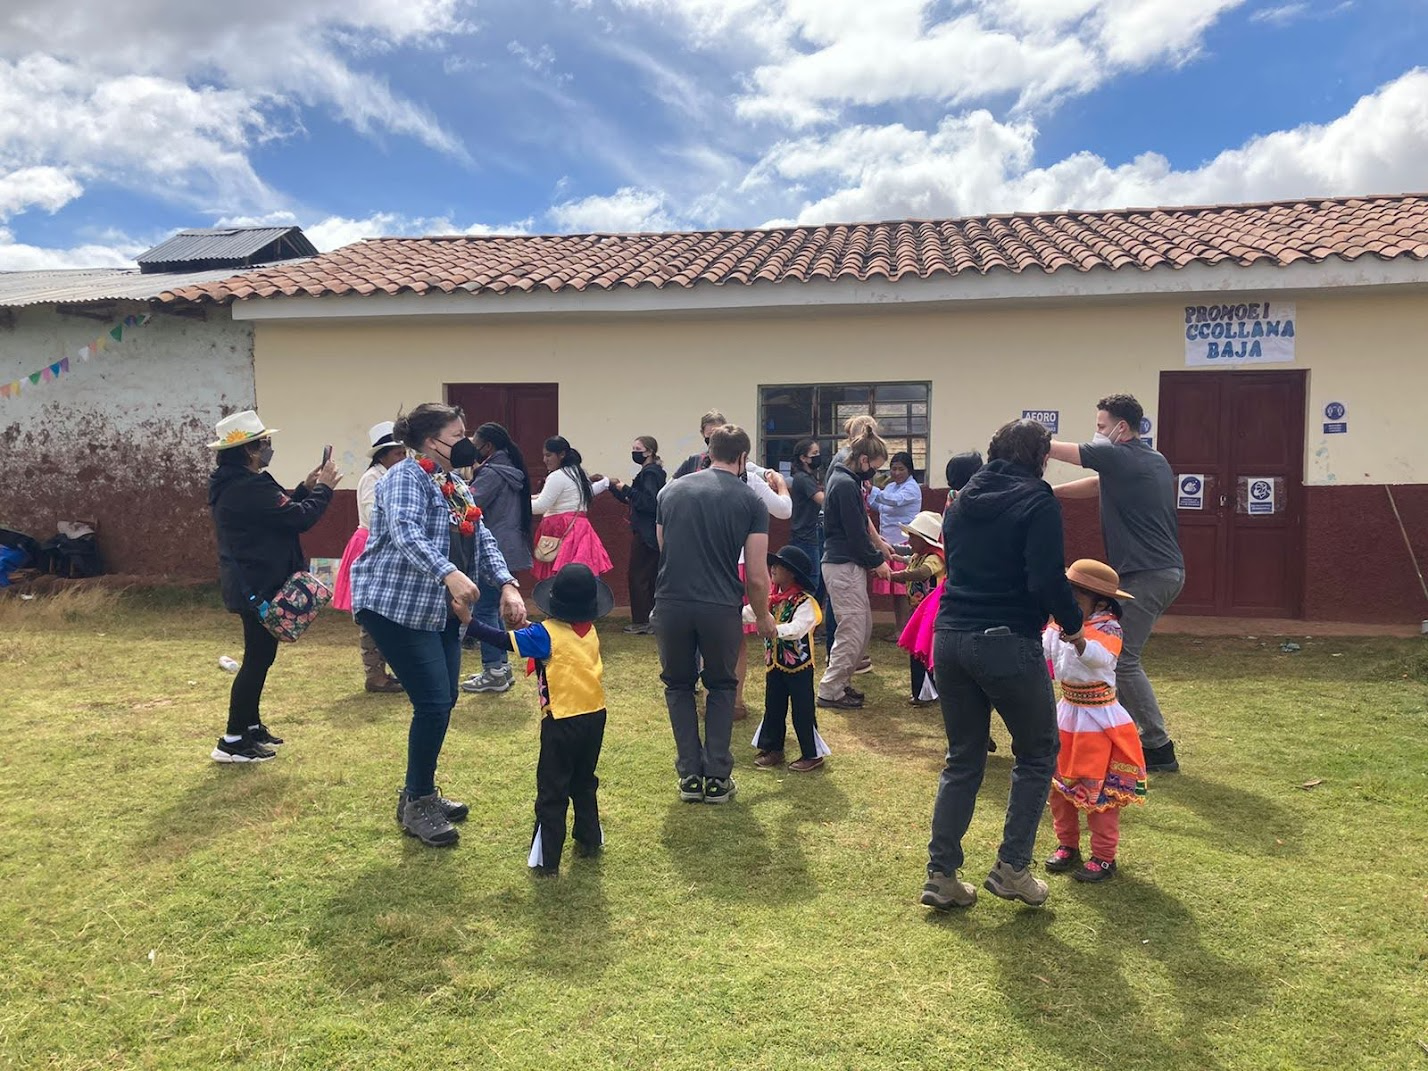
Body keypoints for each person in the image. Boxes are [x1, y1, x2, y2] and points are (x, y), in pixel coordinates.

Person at [921, 419, 1083, 912]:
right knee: (1037, 753)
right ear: (1039, 458)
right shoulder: (1038, 500)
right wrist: (1073, 626)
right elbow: (1046, 578)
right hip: (1007, 639)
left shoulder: (960, 500)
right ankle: (1013, 867)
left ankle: (941, 875)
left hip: (949, 637)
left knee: (963, 758)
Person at [350, 402, 527, 847]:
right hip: (393, 605)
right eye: (459, 432)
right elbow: (405, 532)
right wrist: (448, 572)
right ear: (433, 442)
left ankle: (418, 791)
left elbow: (480, 534)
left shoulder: (450, 481)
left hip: (436, 607)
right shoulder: (403, 478)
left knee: (444, 697)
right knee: (432, 701)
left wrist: (506, 584)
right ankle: (418, 804)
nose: (468, 440)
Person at [1049, 393, 1185, 774]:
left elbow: (1057, 450)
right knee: (1119, 657)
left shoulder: (1121, 454)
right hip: (1158, 571)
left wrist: (1022, 439)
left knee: (1122, 660)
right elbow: (1097, 486)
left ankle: (1158, 747)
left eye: (1101, 427)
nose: (1098, 434)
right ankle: (1119, 733)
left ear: (1121, 428)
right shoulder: (1150, 459)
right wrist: (1053, 493)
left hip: (1148, 573)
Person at [463, 563, 613, 875]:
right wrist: (527, 627)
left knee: (552, 790)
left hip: (561, 721)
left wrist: (470, 622)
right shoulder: (589, 631)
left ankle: (546, 860)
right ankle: (589, 838)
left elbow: (505, 640)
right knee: (584, 782)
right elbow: (551, 640)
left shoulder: (545, 634)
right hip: (595, 716)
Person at [208, 410, 339, 762]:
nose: (269, 448)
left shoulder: (236, 483)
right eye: (264, 443)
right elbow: (300, 518)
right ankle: (233, 739)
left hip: (252, 581)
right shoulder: (248, 486)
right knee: (257, 660)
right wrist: (325, 489)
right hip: (258, 584)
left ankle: (250, 727)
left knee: (260, 657)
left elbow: (279, 511)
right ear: (250, 450)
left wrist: (305, 489)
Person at [654, 424, 776, 805]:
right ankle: (718, 776)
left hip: (671, 602)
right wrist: (765, 616)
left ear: (708, 451)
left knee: (678, 685)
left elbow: (664, 547)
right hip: (720, 605)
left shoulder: (670, 491)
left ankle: (690, 774)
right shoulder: (751, 500)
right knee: (722, 686)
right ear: (742, 458)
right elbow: (757, 575)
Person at [1043, 559, 1147, 884]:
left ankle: (1103, 856)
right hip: (1068, 714)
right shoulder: (1059, 625)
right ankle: (1067, 844)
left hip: (1098, 720)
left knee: (1099, 792)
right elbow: (1045, 653)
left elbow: (1102, 657)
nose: (1068, 607)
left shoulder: (1108, 628)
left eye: (1074, 600)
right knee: (1060, 786)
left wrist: (1077, 638)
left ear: (1098, 601)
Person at [817, 425, 891, 711]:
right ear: (863, 461)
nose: (874, 473)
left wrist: (878, 548)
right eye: (875, 467)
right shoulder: (845, 484)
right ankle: (831, 688)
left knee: (862, 626)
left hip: (847, 562)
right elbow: (855, 534)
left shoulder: (846, 480)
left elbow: (860, 528)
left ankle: (841, 682)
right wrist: (878, 562)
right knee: (852, 628)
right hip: (842, 563)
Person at [461, 422, 535, 695]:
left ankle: (494, 669)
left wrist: (465, 483)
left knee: (485, 609)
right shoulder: (509, 470)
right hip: (510, 545)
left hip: (495, 548)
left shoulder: (492, 473)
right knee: (492, 609)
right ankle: (500, 668)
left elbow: (468, 504)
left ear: (487, 447)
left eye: (475, 445)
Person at [333, 421, 404, 694]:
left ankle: (385, 671)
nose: (401, 458)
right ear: (382, 456)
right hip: (371, 546)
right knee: (371, 613)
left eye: (402, 453)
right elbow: (375, 515)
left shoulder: (392, 476)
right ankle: (374, 674)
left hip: (386, 545)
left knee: (388, 612)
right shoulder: (372, 479)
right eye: (396, 453)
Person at [746, 545, 831, 772]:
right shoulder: (772, 599)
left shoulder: (806, 603)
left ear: (792, 573)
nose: (772, 569)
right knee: (773, 706)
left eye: (779, 566)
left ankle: (812, 754)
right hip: (774, 664)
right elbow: (751, 612)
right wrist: (729, 612)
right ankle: (773, 748)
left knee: (802, 710)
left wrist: (774, 630)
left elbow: (799, 628)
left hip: (799, 666)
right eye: (772, 565)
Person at [530, 436, 612, 582]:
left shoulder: (557, 476)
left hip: (559, 527)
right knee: (585, 572)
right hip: (581, 527)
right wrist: (606, 482)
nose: (545, 460)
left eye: (548, 455)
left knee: (559, 578)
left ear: (561, 455)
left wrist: (517, 505)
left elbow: (541, 505)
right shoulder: (579, 474)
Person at [887, 511, 945, 706]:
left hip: (932, 612)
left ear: (923, 539)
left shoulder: (935, 558)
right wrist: (893, 554)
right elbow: (908, 558)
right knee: (917, 650)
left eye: (912, 537)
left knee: (924, 650)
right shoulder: (920, 555)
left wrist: (894, 576)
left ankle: (927, 693)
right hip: (919, 611)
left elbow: (921, 573)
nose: (909, 541)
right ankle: (921, 692)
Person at [609, 436, 666, 635]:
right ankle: (650, 618)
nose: (634, 452)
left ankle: (643, 620)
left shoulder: (650, 474)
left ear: (649, 451)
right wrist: (615, 489)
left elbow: (649, 503)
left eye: (638, 448)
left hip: (647, 533)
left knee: (639, 576)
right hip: (649, 531)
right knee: (648, 576)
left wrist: (625, 488)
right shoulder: (651, 472)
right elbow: (635, 500)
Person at [868, 452, 924, 634]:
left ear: (910, 470)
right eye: (894, 469)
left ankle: (905, 630)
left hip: (905, 544)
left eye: (901, 469)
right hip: (888, 543)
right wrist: (867, 497)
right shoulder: (891, 487)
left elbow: (893, 501)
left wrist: (872, 489)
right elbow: (882, 505)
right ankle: (900, 628)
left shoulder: (912, 488)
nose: (897, 472)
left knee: (904, 592)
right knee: (895, 592)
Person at [672, 409, 727, 479]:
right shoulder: (693, 461)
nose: (714, 438)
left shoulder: (734, 462)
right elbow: (669, 487)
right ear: (702, 433)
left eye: (717, 434)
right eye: (710, 434)